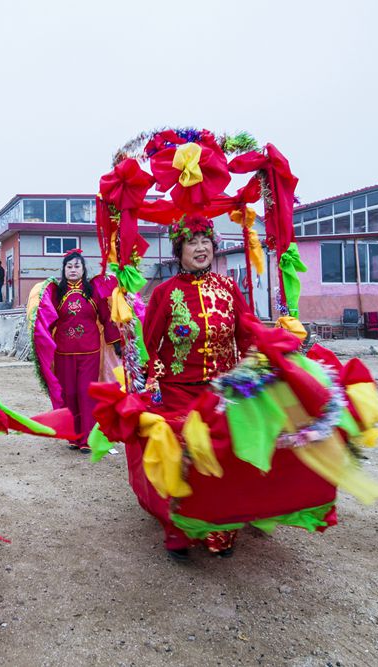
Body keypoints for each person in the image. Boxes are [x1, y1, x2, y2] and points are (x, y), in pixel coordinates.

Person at [139, 216, 258, 557]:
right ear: (180, 251)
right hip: (178, 390)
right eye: (192, 242)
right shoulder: (165, 293)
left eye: (206, 240)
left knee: (224, 457)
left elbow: (247, 335)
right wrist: (151, 382)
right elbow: (150, 343)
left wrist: (266, 358)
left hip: (223, 390)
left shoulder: (229, 288)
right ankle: (180, 530)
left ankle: (220, 532)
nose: (201, 247)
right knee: (185, 457)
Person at [28, 249, 122, 451]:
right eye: (69, 266)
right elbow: (47, 320)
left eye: (76, 266)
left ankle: (87, 438)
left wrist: (115, 341)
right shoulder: (56, 292)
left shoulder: (93, 291)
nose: (72, 270)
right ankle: (74, 436)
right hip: (63, 353)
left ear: (83, 269)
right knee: (69, 393)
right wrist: (41, 343)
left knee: (85, 393)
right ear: (64, 270)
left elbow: (106, 318)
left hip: (90, 352)